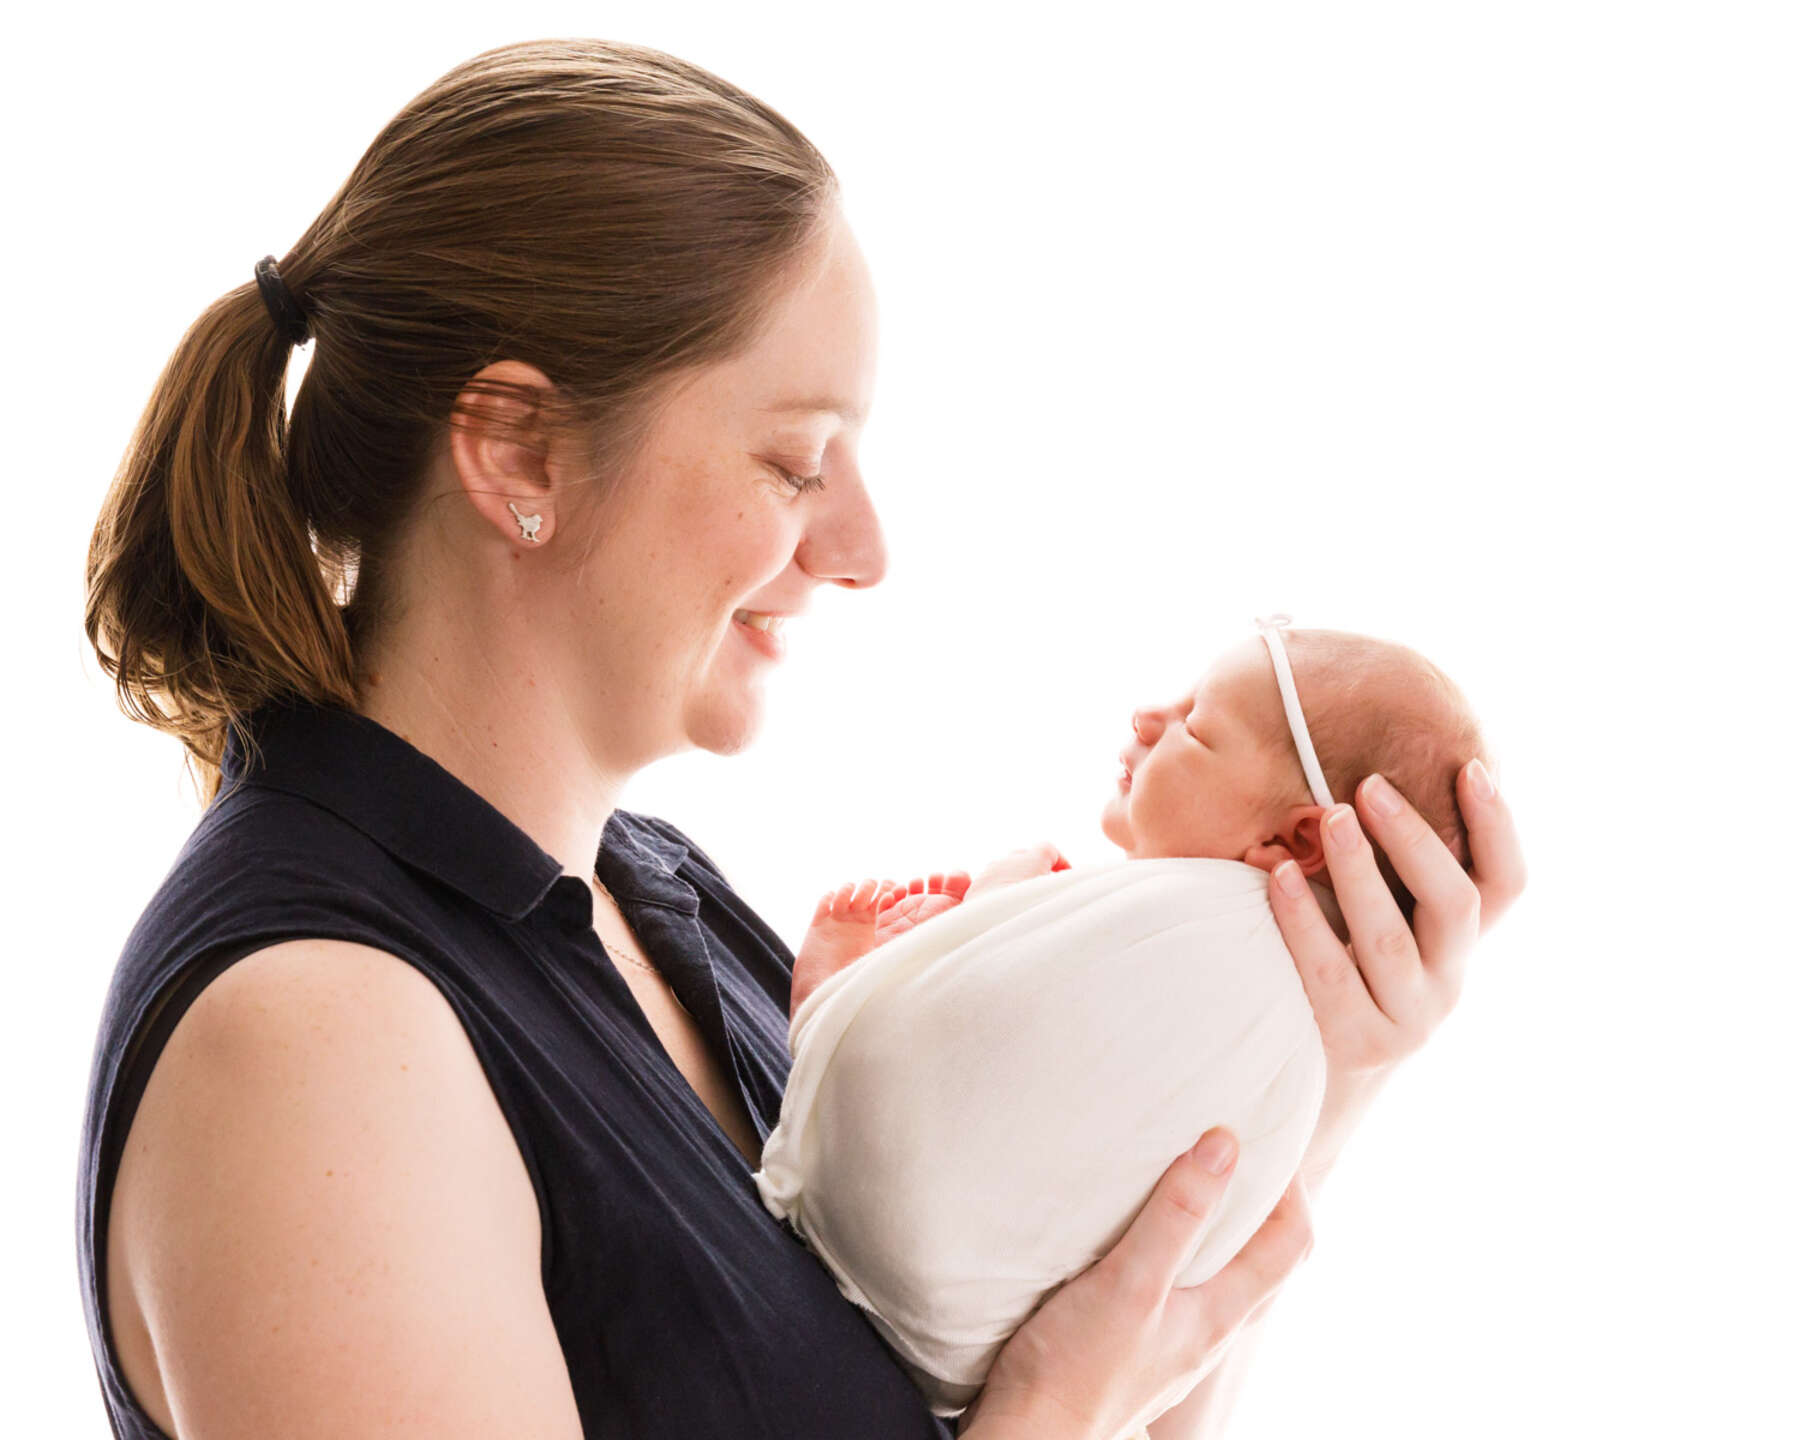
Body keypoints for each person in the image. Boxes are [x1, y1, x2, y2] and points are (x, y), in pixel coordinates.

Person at [77, 36, 1528, 1440]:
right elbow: (1059, 1402)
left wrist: (1321, 1063)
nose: (864, 547)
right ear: (519, 451)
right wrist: (1053, 1416)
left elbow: (1100, 1367)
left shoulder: (661, 901)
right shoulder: (314, 1044)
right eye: (793, 461)